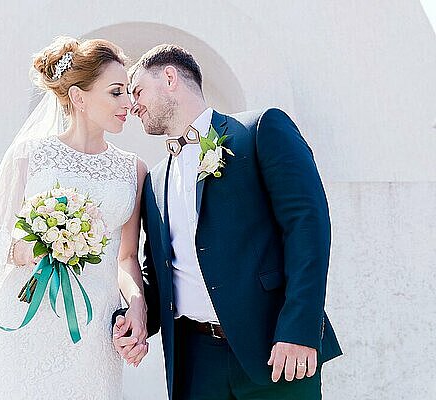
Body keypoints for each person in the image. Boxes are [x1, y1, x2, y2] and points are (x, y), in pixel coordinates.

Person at [113, 44, 343, 400]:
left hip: (275, 350)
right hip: (195, 364)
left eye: (138, 90)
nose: (133, 104)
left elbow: (308, 227)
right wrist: (136, 317)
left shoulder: (260, 129)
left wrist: (300, 328)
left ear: (170, 77)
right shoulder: (154, 181)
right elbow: (159, 272)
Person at [0, 36, 149, 400]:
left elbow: (125, 258)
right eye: (116, 92)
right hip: (26, 317)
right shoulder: (29, 156)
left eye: (128, 92)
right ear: (78, 97)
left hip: (93, 332)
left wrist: (137, 304)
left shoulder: (132, 170)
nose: (128, 103)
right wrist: (26, 250)